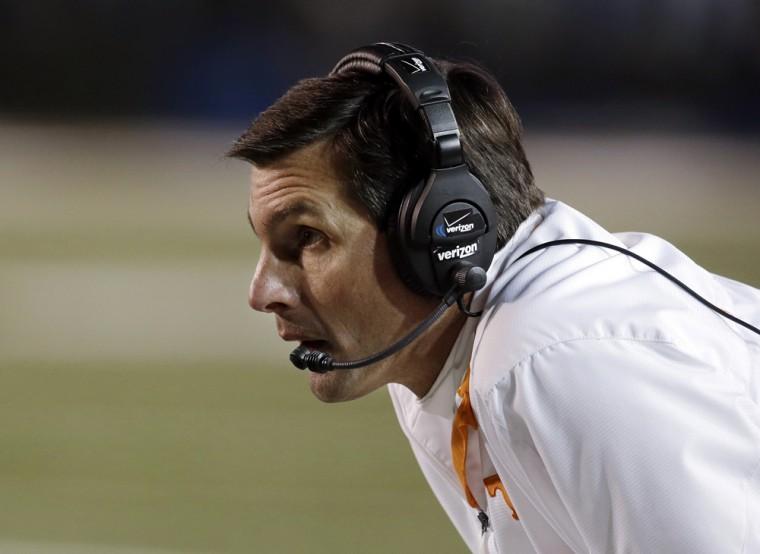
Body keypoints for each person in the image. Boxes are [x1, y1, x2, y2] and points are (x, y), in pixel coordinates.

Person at [227, 43, 760, 553]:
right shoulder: (438, 360)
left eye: (308, 238)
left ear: (440, 234)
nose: (261, 293)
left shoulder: (558, 358)